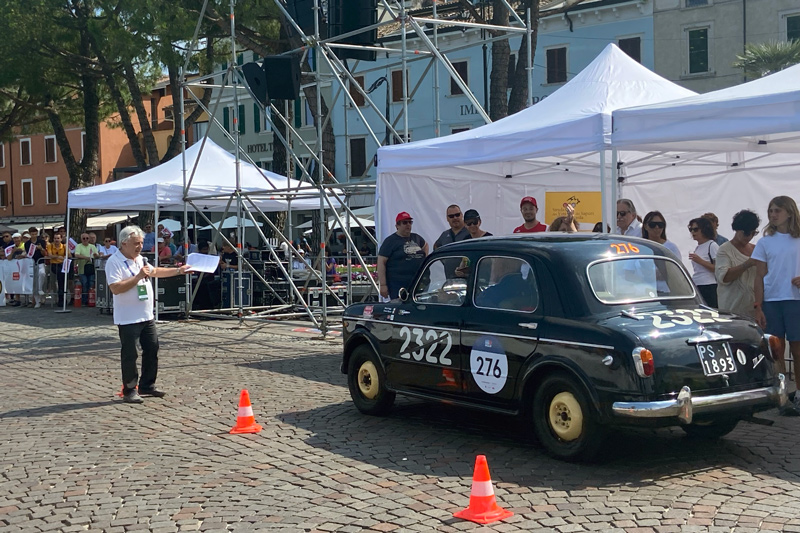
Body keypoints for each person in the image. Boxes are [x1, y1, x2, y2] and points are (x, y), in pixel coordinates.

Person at [105, 225, 191, 404]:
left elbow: (155, 271)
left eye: (141, 243)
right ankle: (129, 389)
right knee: (130, 354)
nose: (140, 247)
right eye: (136, 243)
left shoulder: (140, 259)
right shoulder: (114, 261)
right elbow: (115, 288)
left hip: (146, 315)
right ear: (124, 243)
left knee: (152, 349)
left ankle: (147, 385)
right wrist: (137, 277)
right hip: (128, 317)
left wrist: (179, 270)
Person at [752, 196, 800, 414]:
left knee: (798, 350)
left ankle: (798, 394)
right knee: (776, 351)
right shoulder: (764, 242)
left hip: (795, 300)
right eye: (770, 210)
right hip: (772, 301)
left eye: (777, 210)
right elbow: (759, 276)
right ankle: (783, 394)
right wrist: (758, 306)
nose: (773, 214)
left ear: (789, 212)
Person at [715, 210, 760, 318]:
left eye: (754, 233)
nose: (750, 237)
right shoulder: (724, 249)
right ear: (736, 229)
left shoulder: (756, 249)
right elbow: (724, 277)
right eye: (746, 233)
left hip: (754, 310)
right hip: (732, 311)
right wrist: (747, 264)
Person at [377, 211, 428, 300]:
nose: (408, 225)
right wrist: (383, 285)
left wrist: (425, 259)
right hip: (398, 285)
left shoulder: (416, 237)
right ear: (397, 225)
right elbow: (381, 262)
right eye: (404, 222)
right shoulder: (390, 241)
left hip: (418, 283)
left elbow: (425, 245)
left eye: (410, 222)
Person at [688, 217, 719, 308]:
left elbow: (718, 268)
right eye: (691, 229)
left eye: (696, 229)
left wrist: (700, 261)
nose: (692, 232)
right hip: (697, 284)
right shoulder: (698, 247)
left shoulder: (712, 245)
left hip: (709, 285)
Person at [73, 233, 97, 306]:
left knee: (91, 284)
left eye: (87, 238)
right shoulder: (79, 246)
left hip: (91, 268)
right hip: (82, 269)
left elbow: (96, 254)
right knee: (84, 283)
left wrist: (96, 255)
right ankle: (84, 300)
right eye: (84, 238)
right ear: (81, 239)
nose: (85, 240)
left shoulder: (92, 246)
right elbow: (76, 254)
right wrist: (86, 258)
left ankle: (91, 300)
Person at [27, 228, 47, 308]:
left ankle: (40, 288)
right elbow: (28, 254)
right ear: (30, 234)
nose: (34, 235)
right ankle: (37, 301)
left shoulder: (41, 242)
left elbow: (44, 253)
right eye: (32, 234)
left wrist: (41, 248)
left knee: (42, 273)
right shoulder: (27, 243)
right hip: (31, 263)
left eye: (35, 234)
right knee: (34, 282)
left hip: (40, 262)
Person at [46, 233, 68, 307]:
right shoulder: (50, 246)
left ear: (61, 239)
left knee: (62, 282)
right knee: (58, 280)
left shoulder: (64, 246)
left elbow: (69, 255)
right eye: (55, 238)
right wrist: (58, 257)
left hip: (62, 265)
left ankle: (62, 299)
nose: (56, 240)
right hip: (54, 265)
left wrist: (64, 257)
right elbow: (50, 255)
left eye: (58, 238)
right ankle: (60, 298)